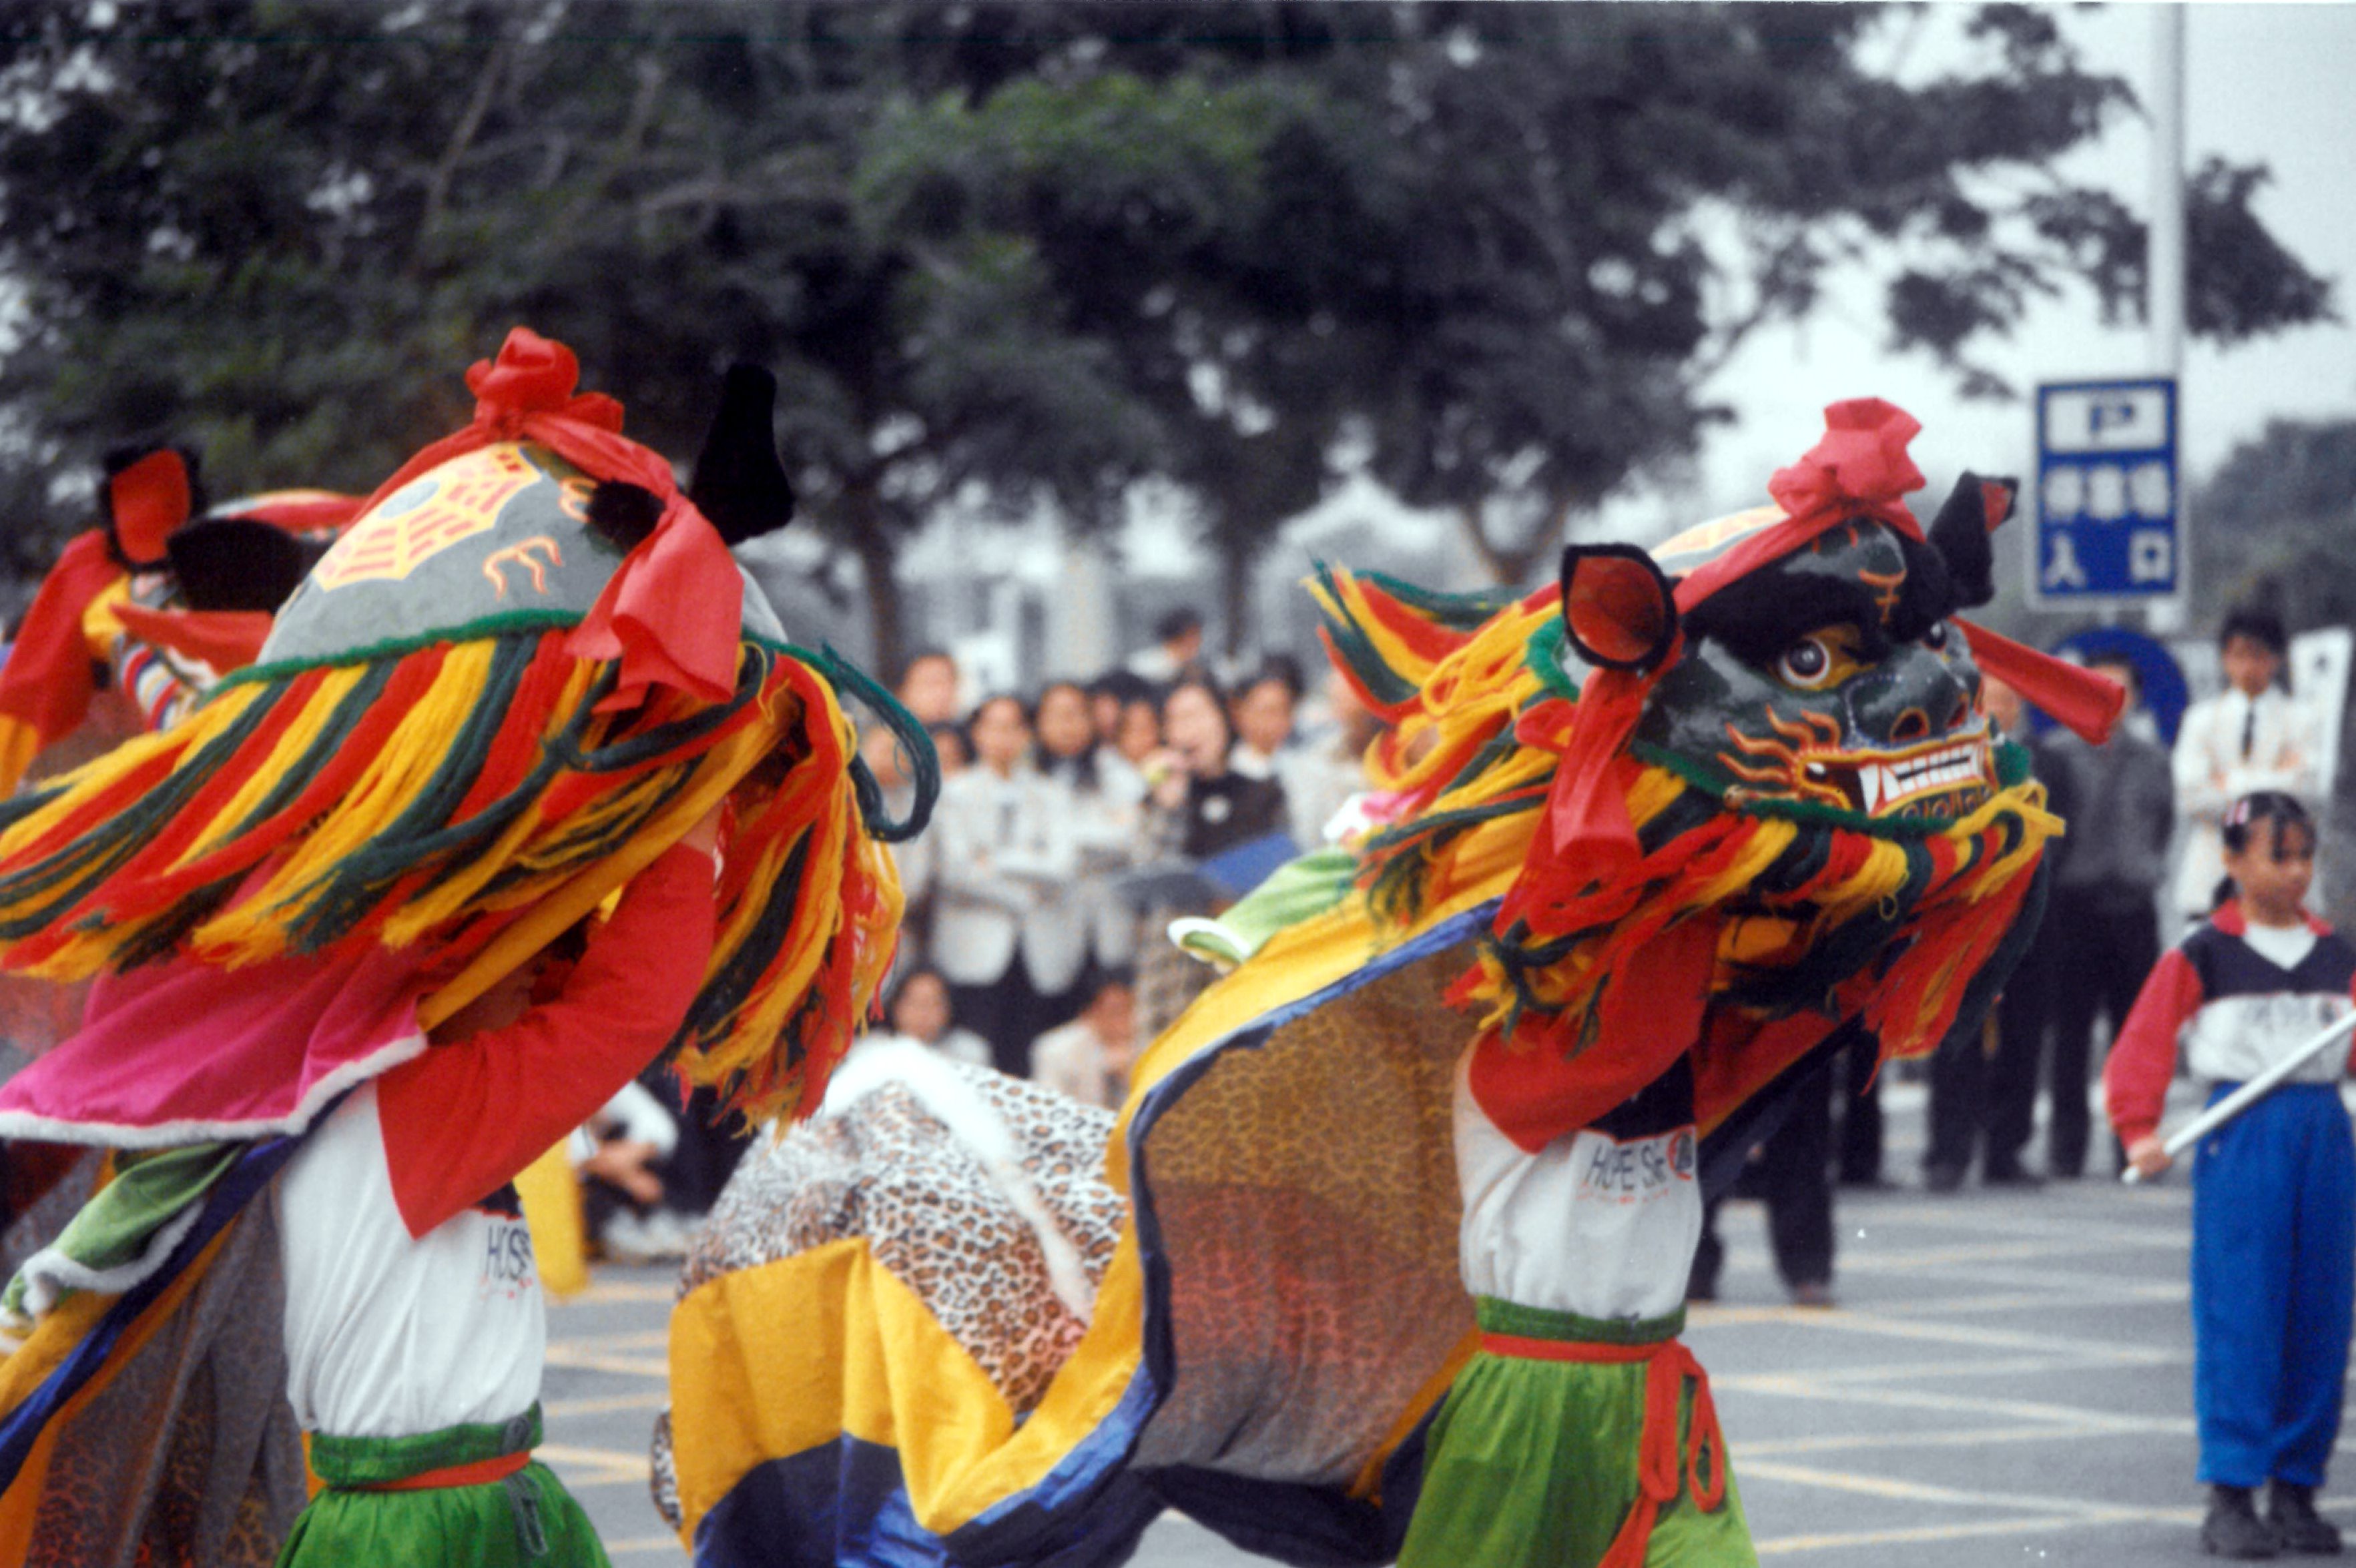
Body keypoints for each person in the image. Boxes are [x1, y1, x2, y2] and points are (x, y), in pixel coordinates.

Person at [2109, 793, 2353, 1559]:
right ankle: (2230, 1493)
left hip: (2320, 1129)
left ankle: (2294, 1489)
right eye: (2275, 855)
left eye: (2303, 856)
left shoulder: (2335, 957)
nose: (2293, 871)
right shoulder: (2201, 953)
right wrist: (2139, 1129)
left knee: (2318, 1314)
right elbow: (2142, 1043)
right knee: (2240, 1313)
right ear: (2232, 859)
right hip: (2239, 1132)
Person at [1924, 675, 2076, 1190]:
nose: (1999, 710)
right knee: (1956, 1032)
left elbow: (2064, 837)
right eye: (1989, 701)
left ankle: (2006, 1151)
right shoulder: (1947, 765)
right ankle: (1948, 1152)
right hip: (1965, 914)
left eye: (2009, 700)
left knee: (2024, 1037)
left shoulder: (2049, 763)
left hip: (2032, 916)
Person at [2036, 656, 2174, 1180]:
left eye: (2121, 690)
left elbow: (2163, 825)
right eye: (2098, 688)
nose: (2110, 698)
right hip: (2075, 907)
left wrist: (2143, 868)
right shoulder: (2060, 755)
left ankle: (2130, 1144)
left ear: (2136, 698)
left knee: (2135, 1033)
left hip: (2134, 909)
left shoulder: (2154, 759)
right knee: (2070, 1034)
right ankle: (2066, 1150)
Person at [930, 695, 1081, 1076]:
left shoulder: (1051, 793)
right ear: (977, 733)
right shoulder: (954, 793)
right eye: (994, 726)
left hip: (1039, 950)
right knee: (973, 1056)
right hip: (974, 950)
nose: (1004, 737)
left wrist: (997, 860)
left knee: (1032, 1058)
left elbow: (1062, 865)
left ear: (1027, 734)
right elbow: (956, 872)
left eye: (1014, 727)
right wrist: (1025, 884)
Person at [2173, 607, 2322, 924]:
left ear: (2276, 658)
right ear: (2224, 657)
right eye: (2238, 654)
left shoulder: (2303, 720)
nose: (2247, 666)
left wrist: (2231, 783)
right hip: (2211, 879)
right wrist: (2277, 781)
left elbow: (2308, 793)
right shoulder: (2200, 720)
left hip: (2285, 885)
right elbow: (2193, 799)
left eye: (2258, 655)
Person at [1028, 971, 1138, 1110]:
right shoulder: (1055, 1050)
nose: (1126, 1020)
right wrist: (1102, 1067)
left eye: (1130, 1008)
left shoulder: (1146, 1042)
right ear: (1089, 1013)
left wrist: (1127, 1077)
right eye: (1115, 1011)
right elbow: (1048, 1107)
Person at [866, 965, 989, 1068]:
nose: (922, 1013)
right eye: (914, 1002)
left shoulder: (969, 1052)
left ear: (948, 1009)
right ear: (896, 1007)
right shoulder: (873, 1049)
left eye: (933, 1003)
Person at [1127, 607, 1207, 691]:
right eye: (1193, 635)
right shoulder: (1143, 667)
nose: (1199, 640)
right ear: (1178, 636)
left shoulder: (1196, 669)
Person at [896, 647, 964, 729]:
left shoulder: (970, 736)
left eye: (950, 682)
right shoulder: (888, 738)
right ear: (903, 691)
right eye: (932, 682)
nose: (942, 692)